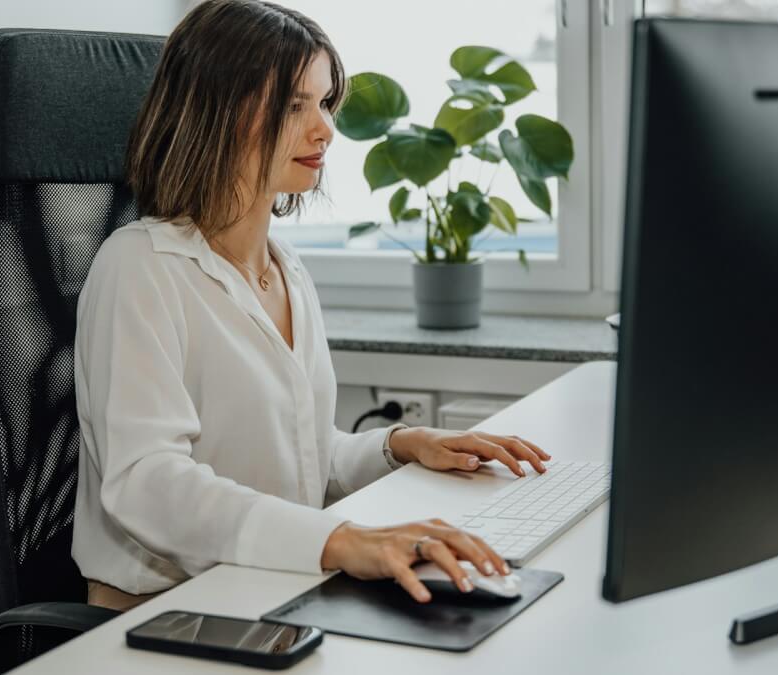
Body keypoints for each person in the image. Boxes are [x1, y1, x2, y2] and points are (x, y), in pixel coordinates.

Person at [71, 0, 551, 612]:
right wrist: (342, 539)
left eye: (324, 102)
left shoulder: (287, 269)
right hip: (165, 614)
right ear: (215, 112)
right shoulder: (140, 266)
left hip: (275, 591)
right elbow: (147, 483)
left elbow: (295, 458)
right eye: (294, 104)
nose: (324, 128)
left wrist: (402, 444)